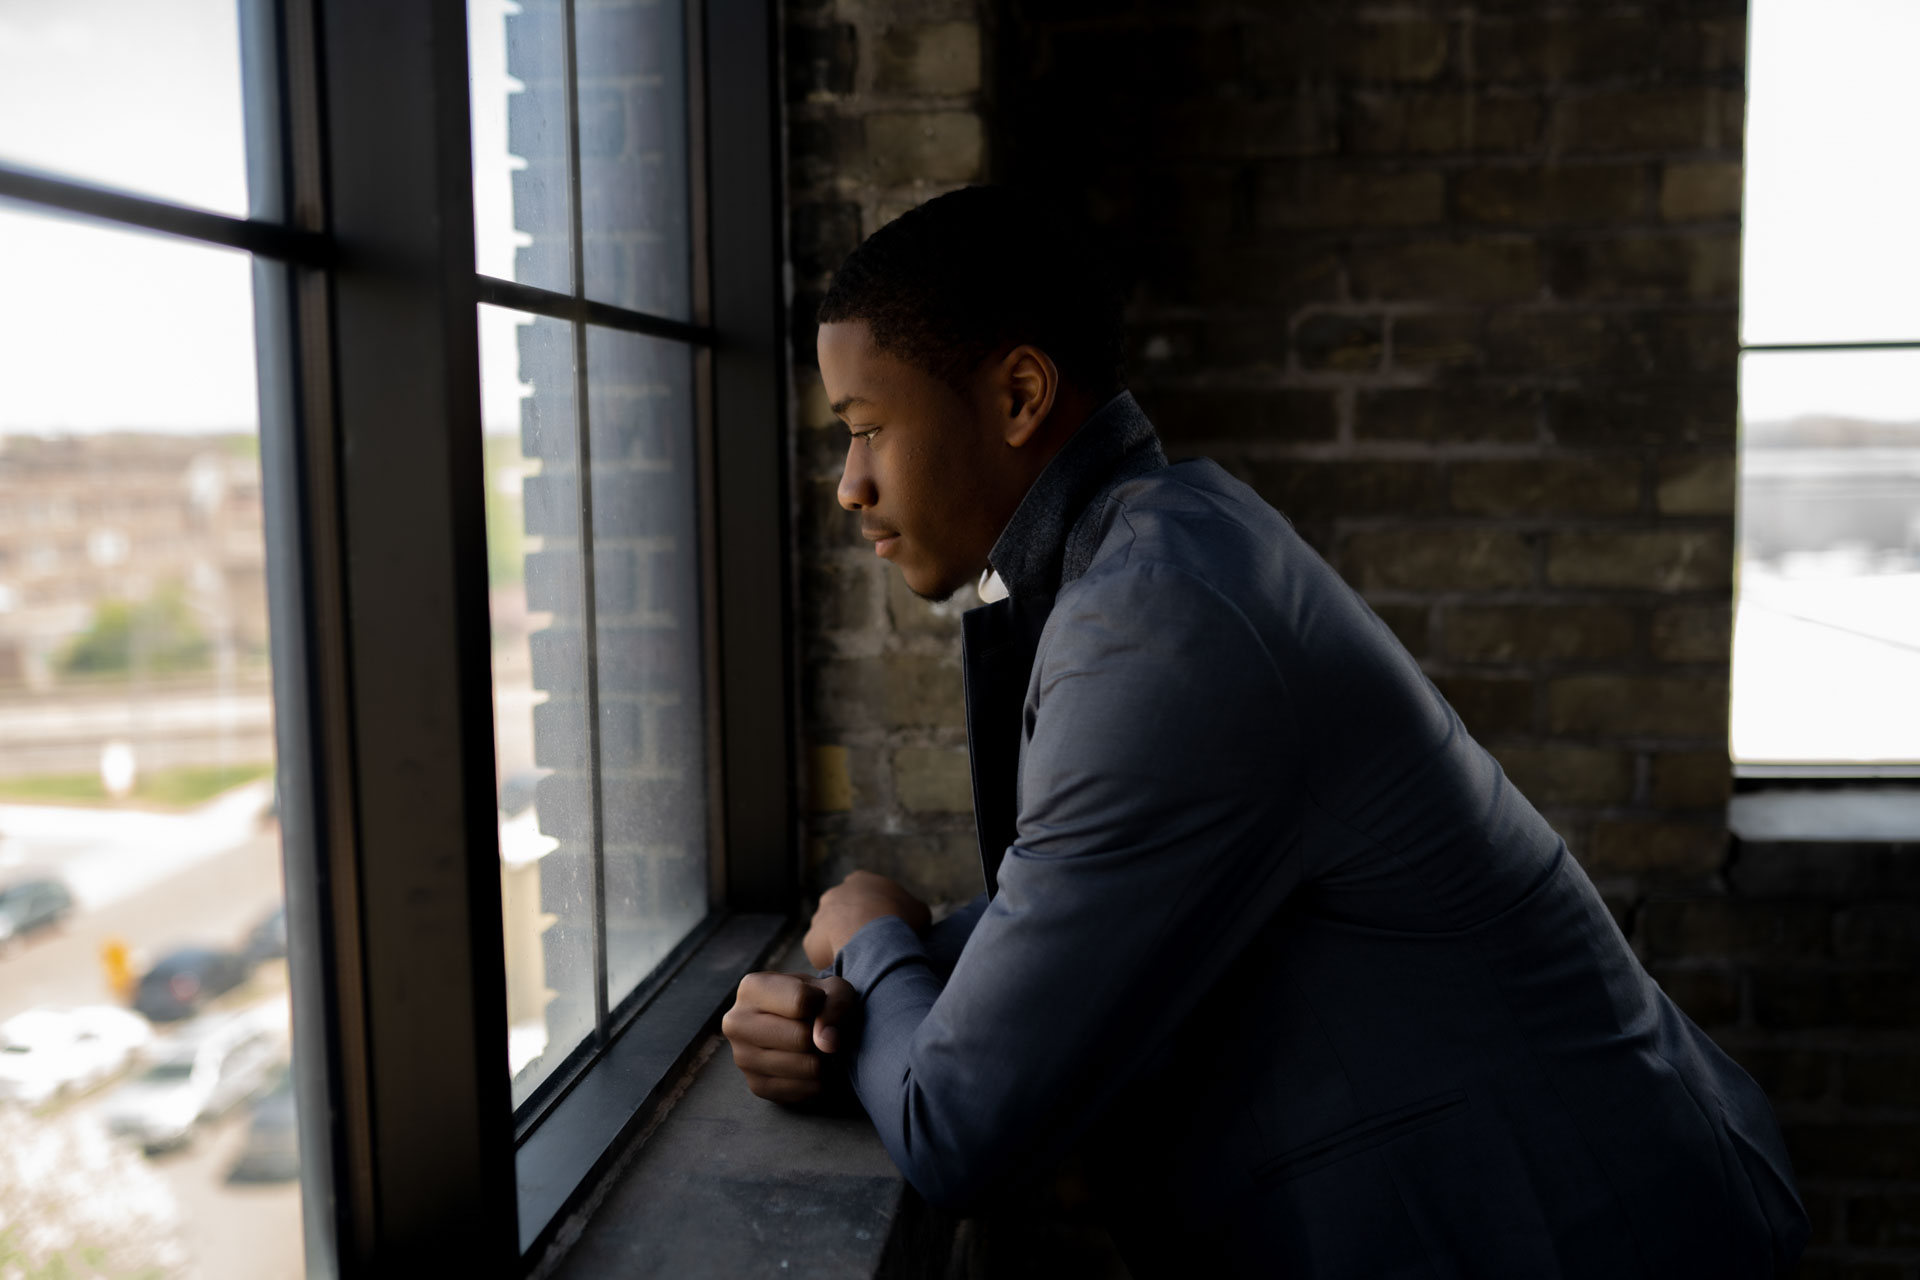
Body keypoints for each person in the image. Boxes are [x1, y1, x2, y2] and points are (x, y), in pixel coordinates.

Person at [721, 186, 1809, 1277]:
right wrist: (854, 1000)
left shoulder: (1157, 624)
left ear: (1017, 394)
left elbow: (957, 1126)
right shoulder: (1166, 548)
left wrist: (867, 937)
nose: (849, 484)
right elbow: (1079, 909)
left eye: (867, 428)